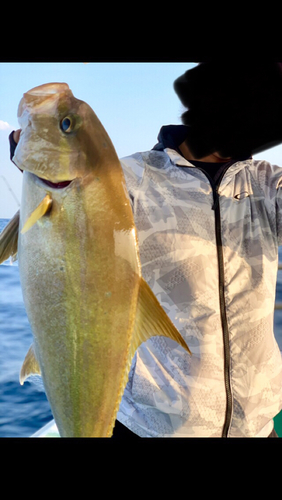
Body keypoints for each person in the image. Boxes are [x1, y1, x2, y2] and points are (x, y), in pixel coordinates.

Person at [10, 62, 282, 437]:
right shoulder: (127, 180)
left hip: (256, 428)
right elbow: (63, 234)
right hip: (146, 428)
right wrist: (38, 166)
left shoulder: (269, 187)